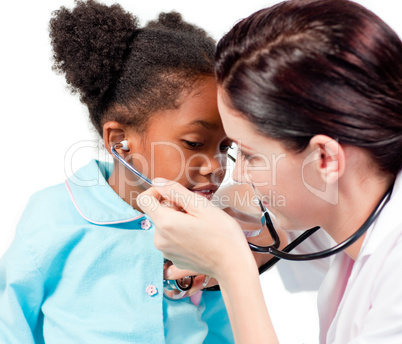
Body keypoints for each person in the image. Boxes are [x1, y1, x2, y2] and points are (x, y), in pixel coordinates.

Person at [138, 0, 402, 343]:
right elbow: (260, 208)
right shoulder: (358, 200)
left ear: (323, 158)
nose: (239, 175)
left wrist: (231, 267)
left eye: (249, 155)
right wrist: (231, 223)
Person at [0, 0, 238, 342]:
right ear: (120, 140)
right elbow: (10, 325)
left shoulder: (204, 227)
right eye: (194, 142)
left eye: (225, 147)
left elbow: (221, 330)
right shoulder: (53, 218)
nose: (216, 166)